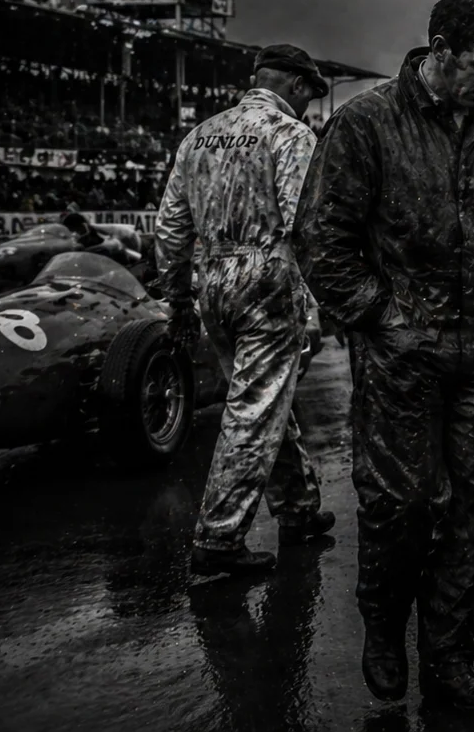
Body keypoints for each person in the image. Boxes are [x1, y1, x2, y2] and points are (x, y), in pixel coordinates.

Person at [293, 0, 474, 711]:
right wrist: (379, 313)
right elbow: (320, 239)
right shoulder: (367, 124)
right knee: (399, 505)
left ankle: (447, 657)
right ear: (438, 50)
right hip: (402, 349)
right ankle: (383, 622)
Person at [154, 43, 335, 578]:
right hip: (266, 276)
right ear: (298, 86)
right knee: (254, 406)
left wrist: (178, 296)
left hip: (211, 278)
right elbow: (306, 224)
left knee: (259, 395)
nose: (308, 106)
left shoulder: (199, 135)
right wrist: (317, 301)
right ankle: (219, 537)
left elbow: (169, 227)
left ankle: (299, 508)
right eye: (309, 94)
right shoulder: (290, 134)